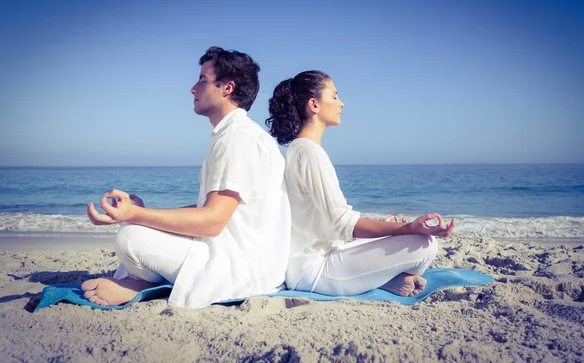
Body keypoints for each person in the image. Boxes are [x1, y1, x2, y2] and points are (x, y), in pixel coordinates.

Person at [83, 47, 291, 309]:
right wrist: (143, 212)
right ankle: (147, 281)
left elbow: (212, 222)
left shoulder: (239, 138)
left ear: (227, 88)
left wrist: (132, 216)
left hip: (242, 268)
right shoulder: (236, 134)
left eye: (203, 80)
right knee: (139, 228)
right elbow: (211, 211)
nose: (193, 88)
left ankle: (143, 284)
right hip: (247, 260)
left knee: (130, 236)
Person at [266, 70, 455, 297]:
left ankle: (381, 279)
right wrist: (407, 228)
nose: (341, 103)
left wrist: (386, 229)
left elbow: (328, 223)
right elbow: (343, 222)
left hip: (322, 253)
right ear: (314, 105)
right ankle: (379, 281)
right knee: (424, 244)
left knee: (408, 238)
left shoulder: (300, 149)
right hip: (312, 270)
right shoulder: (308, 151)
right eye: (334, 96)